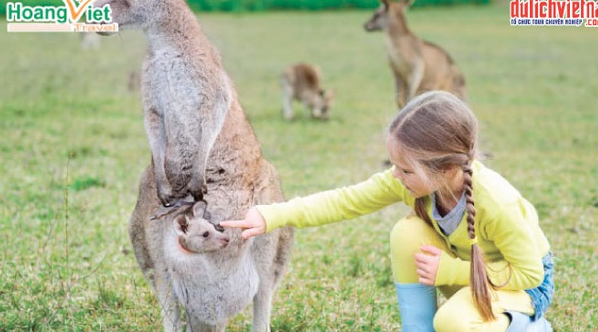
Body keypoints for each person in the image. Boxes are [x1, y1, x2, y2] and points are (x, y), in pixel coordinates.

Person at [220, 91, 554, 332]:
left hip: (521, 288)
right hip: (469, 276)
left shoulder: (496, 201)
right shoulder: (411, 183)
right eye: (394, 166)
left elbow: (530, 275)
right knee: (407, 232)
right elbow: (343, 201)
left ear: (447, 168)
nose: (396, 176)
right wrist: (271, 215)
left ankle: (529, 327)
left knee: (452, 322)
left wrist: (452, 271)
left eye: (406, 169)